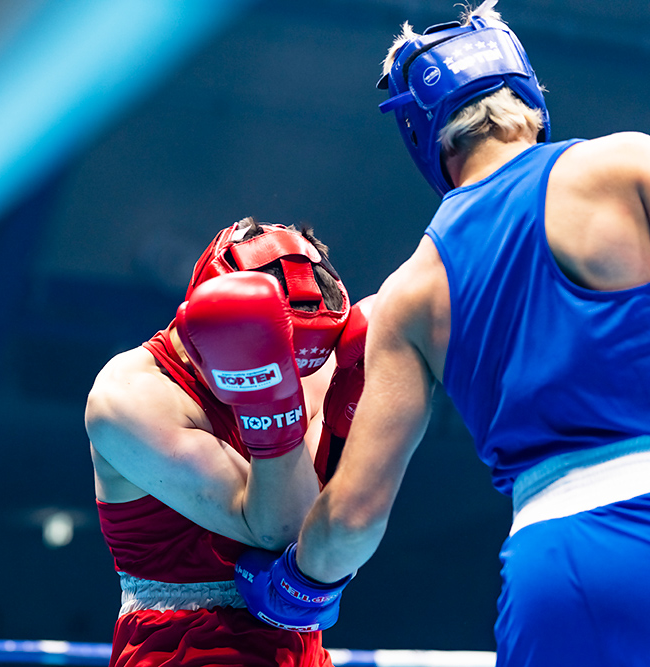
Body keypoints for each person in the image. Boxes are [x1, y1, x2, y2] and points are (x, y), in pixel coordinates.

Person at [233, 1, 650, 665]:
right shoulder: (626, 166)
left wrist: (293, 582)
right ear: (527, 95)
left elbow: (354, 518)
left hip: (561, 564)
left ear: (424, 135)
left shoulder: (411, 292)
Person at [85, 216, 370, 666]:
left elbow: (335, 535)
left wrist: (354, 407)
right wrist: (270, 397)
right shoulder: (130, 395)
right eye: (278, 353)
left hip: (299, 646)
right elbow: (285, 532)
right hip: (182, 647)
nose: (291, 371)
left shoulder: (314, 368)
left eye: (299, 360)